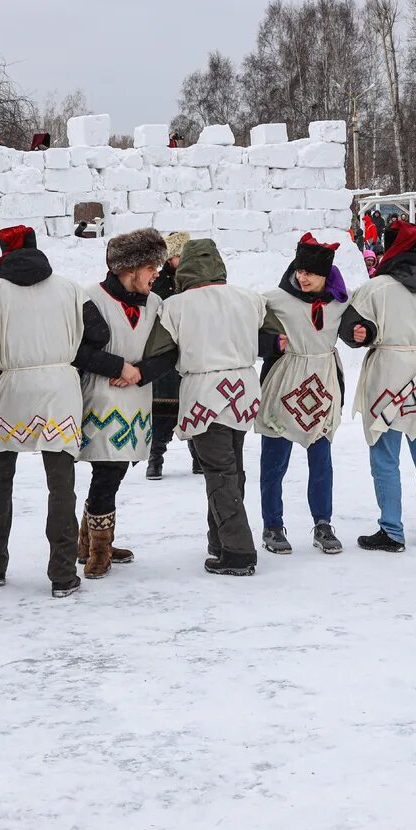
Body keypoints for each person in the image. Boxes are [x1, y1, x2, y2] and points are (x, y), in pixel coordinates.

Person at [0, 226, 98, 598]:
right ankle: (63, 574)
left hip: (13, 387)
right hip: (59, 390)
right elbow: (96, 334)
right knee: (61, 484)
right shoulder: (70, 289)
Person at [139, 239, 269, 576]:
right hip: (243, 391)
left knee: (220, 473)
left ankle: (238, 552)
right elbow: (271, 340)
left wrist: (135, 376)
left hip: (204, 394)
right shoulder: (249, 299)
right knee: (232, 469)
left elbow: (160, 353)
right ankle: (220, 540)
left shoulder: (176, 306)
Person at [340, 222, 416, 552]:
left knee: (385, 457)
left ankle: (392, 531)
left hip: (386, 377)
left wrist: (365, 333)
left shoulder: (375, 289)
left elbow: (350, 328)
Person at [76, 228, 166, 577]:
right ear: (130, 269)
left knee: (115, 471)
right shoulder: (90, 299)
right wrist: (118, 367)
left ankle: (89, 540)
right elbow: (77, 350)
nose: (157, 274)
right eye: (151, 267)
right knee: (106, 472)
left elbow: (167, 352)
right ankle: (99, 549)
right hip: (100, 400)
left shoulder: (156, 303)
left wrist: (139, 373)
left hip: (136, 400)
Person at [255, 233, 348, 555]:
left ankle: (323, 523)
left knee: (321, 460)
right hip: (284, 383)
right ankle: (273, 525)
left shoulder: (340, 303)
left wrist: (365, 333)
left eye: (311, 273)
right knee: (274, 461)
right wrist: (269, 344)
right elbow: (248, 334)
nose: (303, 277)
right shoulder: (273, 299)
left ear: (326, 276)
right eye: (300, 271)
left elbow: (358, 329)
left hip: (322, 386)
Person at [147, 232, 201, 480]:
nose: (182, 259)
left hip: (190, 349)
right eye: (178, 255)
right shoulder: (159, 283)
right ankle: (155, 458)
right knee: (163, 411)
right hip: (167, 351)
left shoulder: (197, 280)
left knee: (193, 407)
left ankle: (198, 457)